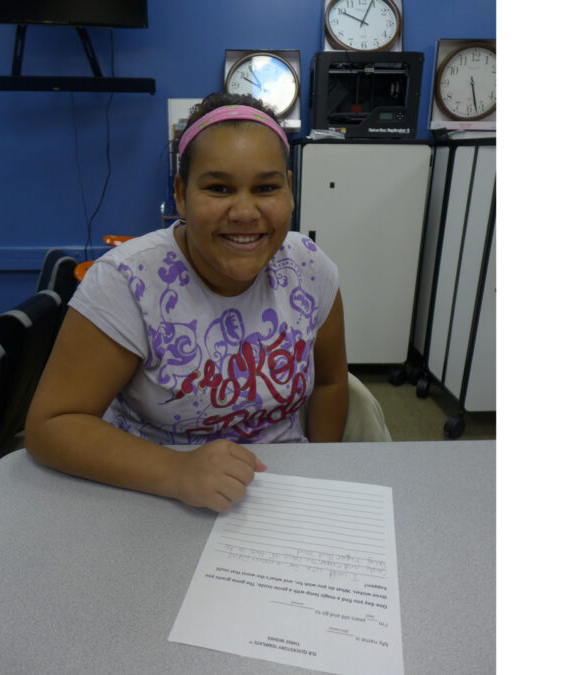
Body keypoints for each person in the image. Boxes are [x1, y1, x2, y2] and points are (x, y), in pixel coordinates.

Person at [24, 92, 348, 512]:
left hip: (281, 498)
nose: (246, 211)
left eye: (266, 187)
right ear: (180, 194)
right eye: (218, 187)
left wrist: (319, 477)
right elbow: (51, 425)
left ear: (289, 191)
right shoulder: (126, 282)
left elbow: (330, 383)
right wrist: (176, 472)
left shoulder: (310, 270)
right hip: (153, 494)